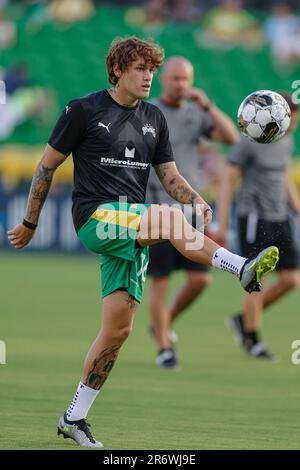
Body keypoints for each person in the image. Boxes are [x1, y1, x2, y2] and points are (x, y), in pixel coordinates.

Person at [7, 36, 279, 448]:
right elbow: (45, 168)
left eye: (151, 68)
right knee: (170, 219)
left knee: (118, 330)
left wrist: (196, 198)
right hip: (97, 217)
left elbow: (168, 176)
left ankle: (74, 417)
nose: (148, 76)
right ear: (117, 70)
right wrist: (29, 222)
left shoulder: (154, 118)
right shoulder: (83, 110)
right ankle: (239, 267)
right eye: (139, 68)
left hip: (132, 226)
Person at [146, 56, 239, 368]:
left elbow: (231, 138)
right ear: (163, 79)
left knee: (201, 281)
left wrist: (207, 105)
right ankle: (164, 348)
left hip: (190, 209)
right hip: (156, 209)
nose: (181, 84)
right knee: (159, 282)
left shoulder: (194, 114)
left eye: (186, 79)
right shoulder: (149, 112)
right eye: (175, 78)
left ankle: (163, 322)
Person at [216, 93, 300, 360]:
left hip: (279, 216)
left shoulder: (286, 140)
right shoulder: (250, 140)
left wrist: (296, 208)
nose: (294, 121)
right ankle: (252, 339)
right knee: (257, 278)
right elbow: (228, 179)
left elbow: (282, 176)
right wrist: (224, 221)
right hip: (255, 217)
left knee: (290, 279)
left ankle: (244, 319)